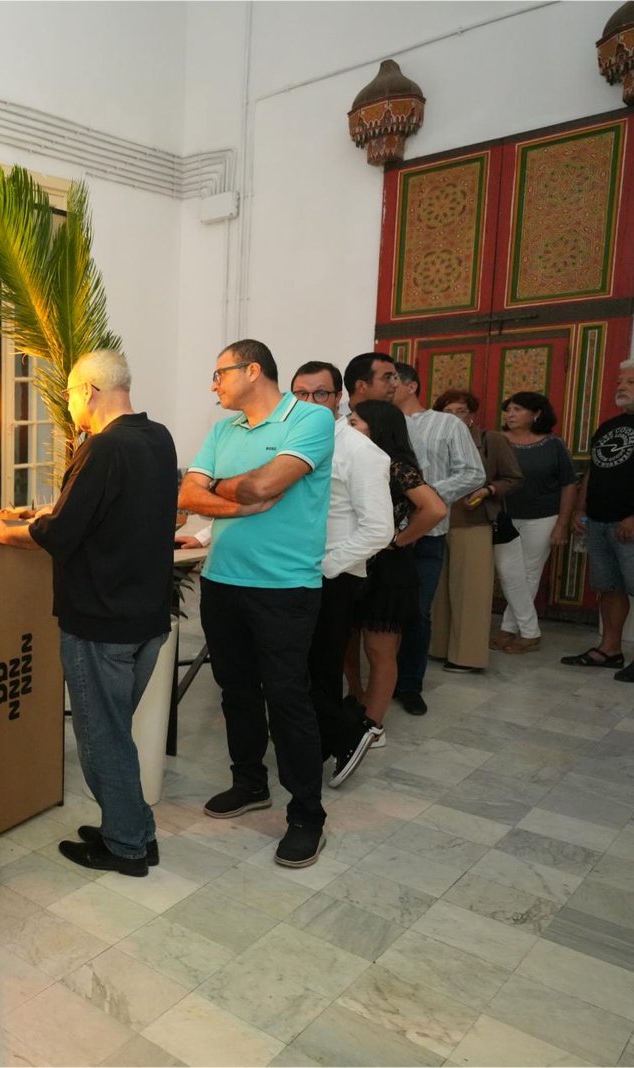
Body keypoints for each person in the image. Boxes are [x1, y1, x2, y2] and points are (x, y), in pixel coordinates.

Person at [0, 349, 175, 877]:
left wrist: (1, 530)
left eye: (68, 393)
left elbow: (60, 536)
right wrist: (56, 510)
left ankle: (127, 845)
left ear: (88, 390)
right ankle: (133, 828)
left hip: (100, 622)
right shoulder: (157, 437)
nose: (68, 404)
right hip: (147, 619)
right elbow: (110, 516)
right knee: (114, 731)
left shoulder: (103, 448)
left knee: (101, 737)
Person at [178, 340, 333, 868]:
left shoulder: (309, 420)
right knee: (236, 691)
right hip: (222, 581)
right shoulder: (224, 430)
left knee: (288, 698)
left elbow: (269, 482)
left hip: (285, 587)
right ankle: (249, 783)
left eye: (219, 373)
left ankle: (306, 816)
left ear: (252, 370)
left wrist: (228, 489)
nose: (213, 384)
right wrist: (241, 502)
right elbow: (187, 494)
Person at [288, 362, 393, 790]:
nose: (310, 402)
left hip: (334, 573)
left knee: (323, 665)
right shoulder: (287, 442)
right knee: (299, 667)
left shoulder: (360, 451)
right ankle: (313, 745)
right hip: (293, 569)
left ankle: (344, 737)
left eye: (321, 394)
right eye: (300, 394)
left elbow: (379, 529)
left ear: (338, 399)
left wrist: (328, 565)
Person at [345, 401, 447, 748]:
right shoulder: (352, 460)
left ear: (377, 428)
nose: (348, 426)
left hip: (387, 568)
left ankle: (374, 725)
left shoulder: (395, 466)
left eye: (355, 422)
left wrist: (398, 540)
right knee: (347, 640)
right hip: (352, 561)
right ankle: (357, 701)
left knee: (379, 649)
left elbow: (434, 508)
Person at [390, 362, 485, 713]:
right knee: (380, 612)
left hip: (427, 533)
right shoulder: (380, 422)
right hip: (382, 533)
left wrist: (424, 494)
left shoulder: (445, 424)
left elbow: (473, 472)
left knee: (417, 612)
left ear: (411, 385)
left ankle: (410, 684)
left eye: (392, 380)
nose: (387, 386)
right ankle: (376, 679)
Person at [562, 357, 634, 681]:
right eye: (619, 382)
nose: (621, 386)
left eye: (632, 381)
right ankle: (609, 649)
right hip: (600, 522)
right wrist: (581, 509)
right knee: (609, 588)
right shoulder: (608, 426)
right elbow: (594, 472)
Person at [431, 390, 522, 670]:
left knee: (470, 592)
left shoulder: (490, 440)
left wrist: (488, 490)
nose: (456, 417)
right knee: (439, 592)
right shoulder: (433, 438)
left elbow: (512, 478)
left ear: (472, 415)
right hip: (435, 522)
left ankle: (467, 657)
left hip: (473, 522)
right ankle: (438, 647)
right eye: (449, 412)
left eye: (462, 411)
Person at [491, 391, 579, 655]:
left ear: (537, 414)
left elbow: (569, 484)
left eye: (518, 409)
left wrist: (562, 524)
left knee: (529, 573)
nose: (511, 414)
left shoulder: (553, 445)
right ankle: (528, 630)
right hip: (503, 516)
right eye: (508, 409)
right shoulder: (496, 440)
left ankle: (514, 630)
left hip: (543, 517)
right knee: (508, 572)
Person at [341, 351, 401, 416]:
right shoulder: (334, 422)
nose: (395, 384)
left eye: (394, 377)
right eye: (387, 377)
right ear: (361, 386)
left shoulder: (404, 422)